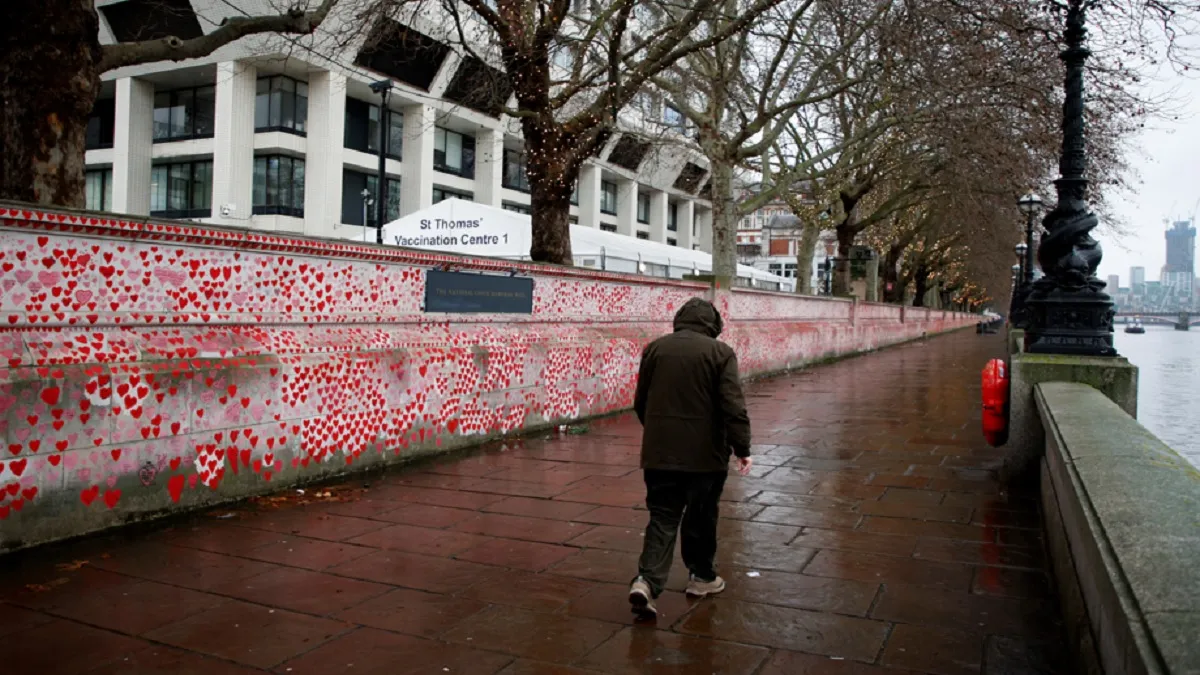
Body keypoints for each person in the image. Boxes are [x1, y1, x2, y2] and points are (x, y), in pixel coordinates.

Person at [628, 297, 752, 619]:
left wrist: (659, 434)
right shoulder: (720, 353)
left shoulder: (655, 349)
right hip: (705, 458)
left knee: (662, 517)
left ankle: (646, 581)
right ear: (713, 325)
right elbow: (732, 406)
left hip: (659, 454)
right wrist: (742, 448)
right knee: (701, 516)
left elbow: (641, 402)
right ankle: (702, 577)